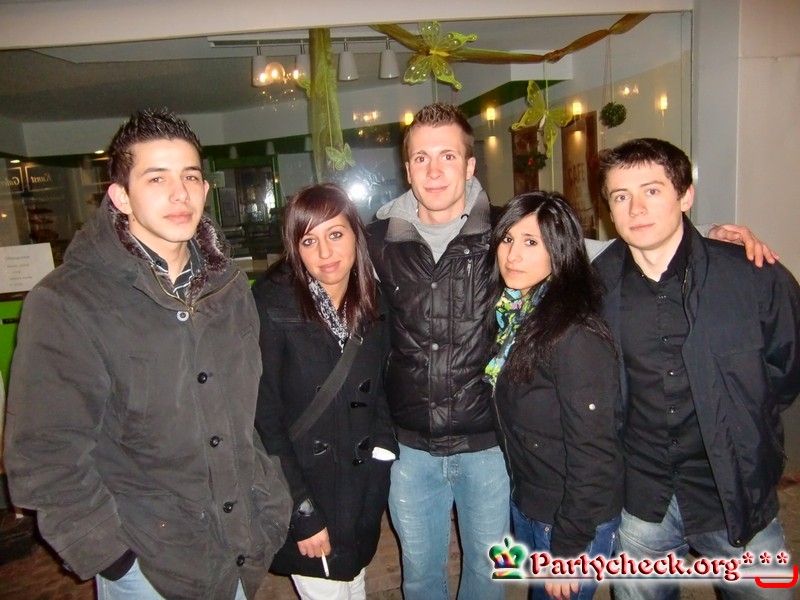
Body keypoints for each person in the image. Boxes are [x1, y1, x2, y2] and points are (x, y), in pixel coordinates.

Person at [366, 102, 776, 600]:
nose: (434, 170)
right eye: (422, 158)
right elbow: (325, 267)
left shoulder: (505, 229)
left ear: (470, 165)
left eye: (447, 156)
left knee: (486, 572)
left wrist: (710, 236)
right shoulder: (377, 242)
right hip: (415, 446)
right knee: (419, 574)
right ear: (406, 167)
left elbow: (608, 245)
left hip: (488, 446)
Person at [2, 108, 292, 600]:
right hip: (148, 566)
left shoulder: (228, 288)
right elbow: (45, 453)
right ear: (120, 196)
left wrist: (268, 501)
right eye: (157, 178)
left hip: (240, 545)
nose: (179, 194)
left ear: (205, 189)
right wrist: (111, 558)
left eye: (190, 177)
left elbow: (246, 413)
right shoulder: (68, 302)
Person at [592, 137, 800, 600]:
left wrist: (746, 423)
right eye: (621, 196)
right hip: (641, 496)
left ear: (686, 195)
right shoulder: (592, 289)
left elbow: (786, 371)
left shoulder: (754, 276)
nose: (636, 208)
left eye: (652, 190)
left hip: (733, 490)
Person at [252, 183, 397, 600]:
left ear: (356, 235)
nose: (325, 253)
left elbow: (383, 387)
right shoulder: (271, 306)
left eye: (336, 234)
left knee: (354, 583)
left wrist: (382, 453)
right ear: (294, 248)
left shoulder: (371, 298)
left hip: (361, 487)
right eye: (309, 241)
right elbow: (263, 420)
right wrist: (302, 513)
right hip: (305, 489)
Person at [486, 191, 624, 600]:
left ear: (560, 251)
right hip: (531, 501)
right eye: (507, 239)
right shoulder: (515, 315)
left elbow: (594, 452)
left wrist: (569, 548)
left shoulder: (574, 334)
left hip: (569, 520)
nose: (513, 255)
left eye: (531, 242)